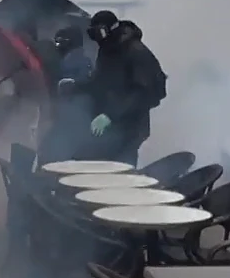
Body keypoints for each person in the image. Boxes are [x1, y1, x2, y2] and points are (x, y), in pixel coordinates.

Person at [80, 11, 166, 166]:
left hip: (130, 127)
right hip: (109, 126)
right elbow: (100, 81)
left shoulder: (136, 51)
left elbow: (143, 92)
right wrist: (77, 87)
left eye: (99, 33)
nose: (97, 40)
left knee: (121, 168)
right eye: (93, 35)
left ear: (111, 29)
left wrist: (110, 115)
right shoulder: (107, 49)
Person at [39, 26, 96, 164]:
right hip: (80, 118)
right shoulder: (84, 61)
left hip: (70, 117)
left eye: (59, 41)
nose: (57, 45)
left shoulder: (70, 62)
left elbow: (65, 88)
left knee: (55, 156)